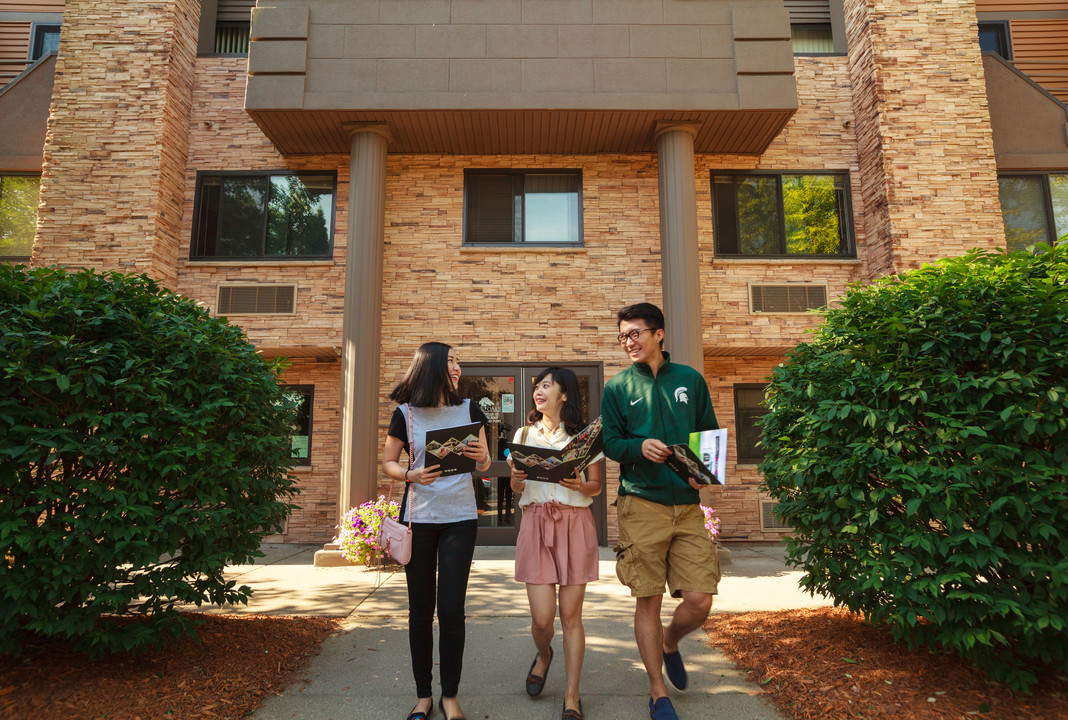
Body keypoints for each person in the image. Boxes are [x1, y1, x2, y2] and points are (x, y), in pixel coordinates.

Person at [601, 303, 721, 720]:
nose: (628, 343)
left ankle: (671, 641)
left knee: (700, 599)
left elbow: (708, 434)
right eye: (623, 337)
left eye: (635, 334)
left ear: (659, 334)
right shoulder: (617, 387)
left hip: (686, 505)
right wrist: (638, 448)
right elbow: (611, 444)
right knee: (647, 599)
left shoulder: (689, 380)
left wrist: (704, 475)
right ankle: (657, 692)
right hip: (640, 503)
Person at [381, 342, 493, 720]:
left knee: (451, 609)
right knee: (420, 610)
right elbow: (388, 463)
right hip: (419, 519)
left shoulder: (470, 408)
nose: (457, 367)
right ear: (430, 368)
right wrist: (409, 473)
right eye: (450, 361)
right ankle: (423, 696)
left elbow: (484, 463)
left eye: (459, 360)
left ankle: (450, 697)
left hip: (460, 518)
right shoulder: (405, 414)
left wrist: (482, 458)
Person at [508, 367, 603, 720]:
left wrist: (580, 486)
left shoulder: (583, 437)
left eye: (547, 386)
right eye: (537, 386)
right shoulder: (523, 433)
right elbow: (519, 489)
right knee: (542, 617)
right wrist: (516, 479)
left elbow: (595, 486)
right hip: (536, 523)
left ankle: (572, 696)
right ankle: (544, 654)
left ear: (565, 395)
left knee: (571, 617)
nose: (539, 391)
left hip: (575, 523)